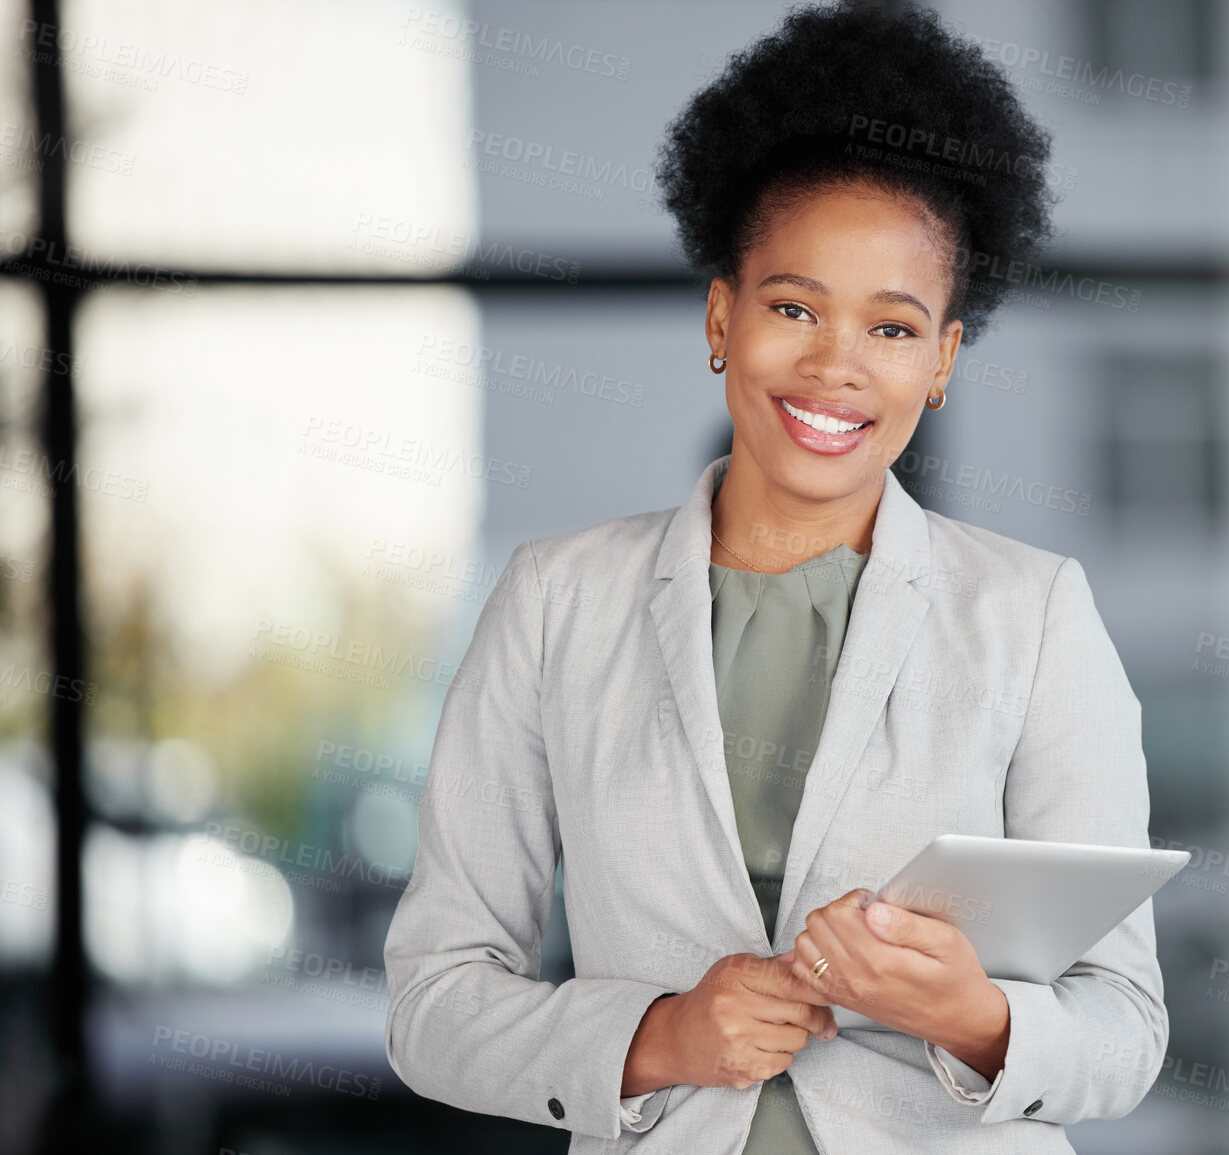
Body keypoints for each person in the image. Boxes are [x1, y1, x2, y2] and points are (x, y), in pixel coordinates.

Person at [382, 5, 1168, 1152]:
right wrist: (660, 1037)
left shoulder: (1033, 615)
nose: (834, 367)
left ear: (943, 358)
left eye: (894, 330)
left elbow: (1127, 1028)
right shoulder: (557, 602)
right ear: (721, 315)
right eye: (793, 307)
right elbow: (434, 1004)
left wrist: (976, 1018)